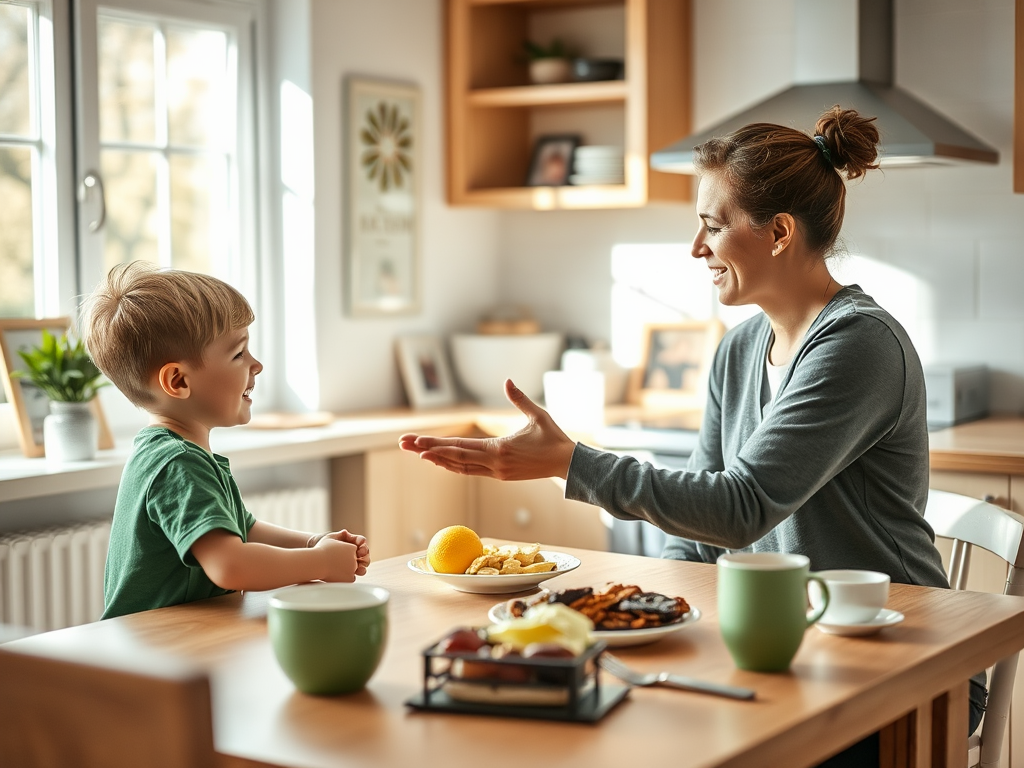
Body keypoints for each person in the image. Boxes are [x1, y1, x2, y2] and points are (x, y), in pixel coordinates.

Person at [398, 105, 985, 766]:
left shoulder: (857, 345)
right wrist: (643, 612)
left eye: (712, 225)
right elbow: (700, 530)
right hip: (786, 642)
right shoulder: (739, 350)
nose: (696, 248)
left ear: (780, 232)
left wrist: (570, 463)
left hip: (904, 668)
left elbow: (741, 508)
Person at [81, 262, 370, 619]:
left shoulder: (177, 452)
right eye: (238, 354)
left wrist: (313, 542)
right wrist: (320, 562)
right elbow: (230, 564)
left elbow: (244, 530)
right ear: (179, 382)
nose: (257, 364)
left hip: (180, 641)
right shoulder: (176, 463)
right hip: (156, 653)